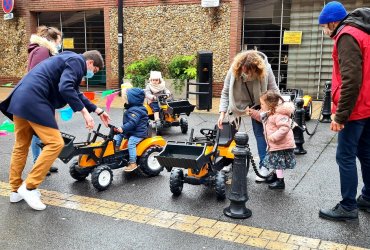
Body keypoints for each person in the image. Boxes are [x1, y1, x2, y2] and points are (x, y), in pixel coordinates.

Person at [0, 50, 110, 210]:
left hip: (20, 98)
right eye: (95, 71)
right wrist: (85, 113)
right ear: (91, 63)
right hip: (35, 100)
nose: (91, 74)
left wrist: (97, 110)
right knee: (55, 143)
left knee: (21, 146)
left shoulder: (66, 57)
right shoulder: (77, 62)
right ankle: (29, 187)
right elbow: (66, 88)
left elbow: (75, 92)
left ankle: (16, 190)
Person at [317, 2, 370, 221]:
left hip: (355, 109)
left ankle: (348, 207)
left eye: (324, 26)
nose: (325, 30)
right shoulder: (364, 32)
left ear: (331, 22)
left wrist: (340, 115)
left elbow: (351, 80)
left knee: (345, 156)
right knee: (366, 153)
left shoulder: (347, 35)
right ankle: (368, 197)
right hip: (367, 105)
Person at [217, 50, 279, 181]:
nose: (245, 74)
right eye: (243, 70)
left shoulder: (266, 69)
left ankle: (264, 166)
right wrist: (222, 114)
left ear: (256, 69)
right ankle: (228, 161)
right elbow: (225, 92)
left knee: (261, 134)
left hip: (259, 103)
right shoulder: (234, 69)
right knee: (230, 134)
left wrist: (274, 111)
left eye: (249, 71)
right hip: (237, 104)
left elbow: (273, 90)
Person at [28, 25, 62, 175]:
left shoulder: (42, 50)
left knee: (45, 131)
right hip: (40, 97)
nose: (59, 44)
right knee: (38, 131)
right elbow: (40, 76)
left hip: (43, 97)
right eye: (58, 41)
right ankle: (38, 162)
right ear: (52, 39)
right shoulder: (42, 51)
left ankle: (44, 162)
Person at [246, 90, 296, 189]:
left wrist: (273, 137)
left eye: (262, 104)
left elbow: (285, 128)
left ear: (270, 105)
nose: (261, 106)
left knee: (278, 163)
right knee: (273, 161)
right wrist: (253, 113)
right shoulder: (270, 113)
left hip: (281, 144)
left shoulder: (279, 115)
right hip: (275, 144)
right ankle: (276, 176)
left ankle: (280, 181)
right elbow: (261, 118)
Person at [114, 86, 149, 172]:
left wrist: (122, 128)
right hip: (132, 130)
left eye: (127, 98)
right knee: (118, 134)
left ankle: (133, 163)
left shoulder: (136, 110)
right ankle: (116, 150)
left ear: (133, 99)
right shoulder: (133, 108)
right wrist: (121, 129)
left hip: (138, 133)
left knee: (131, 143)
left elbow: (132, 123)